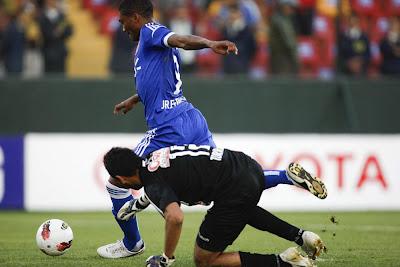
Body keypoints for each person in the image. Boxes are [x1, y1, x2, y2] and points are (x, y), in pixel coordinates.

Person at [98, 0, 326, 259]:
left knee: (117, 180)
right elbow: (159, 79)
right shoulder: (148, 44)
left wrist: (209, 44)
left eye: (123, 19)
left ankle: (132, 242)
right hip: (192, 119)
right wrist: (136, 98)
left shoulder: (151, 31)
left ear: (136, 17)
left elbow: (182, 41)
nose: (120, 24)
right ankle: (285, 177)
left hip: (167, 127)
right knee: (226, 183)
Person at [103, 145, 327, 267]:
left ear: (122, 179)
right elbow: (166, 184)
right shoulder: (153, 157)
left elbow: (175, 217)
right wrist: (138, 204)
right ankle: (301, 235)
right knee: (241, 210)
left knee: (204, 259)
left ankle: (285, 262)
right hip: (245, 164)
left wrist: (166, 257)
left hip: (234, 188)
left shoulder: (153, 184)